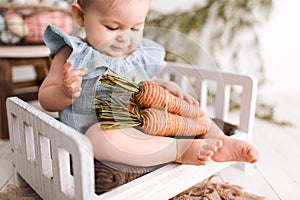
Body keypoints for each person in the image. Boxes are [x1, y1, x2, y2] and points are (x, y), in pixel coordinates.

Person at [38, 0, 259, 168]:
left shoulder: (137, 54)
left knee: (186, 107)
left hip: (145, 124)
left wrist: (163, 87)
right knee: (98, 136)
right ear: (80, 15)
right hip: (99, 134)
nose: (125, 38)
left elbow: (143, 85)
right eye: (112, 28)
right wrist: (65, 91)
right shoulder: (73, 54)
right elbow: (46, 98)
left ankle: (221, 140)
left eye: (135, 28)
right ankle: (179, 150)